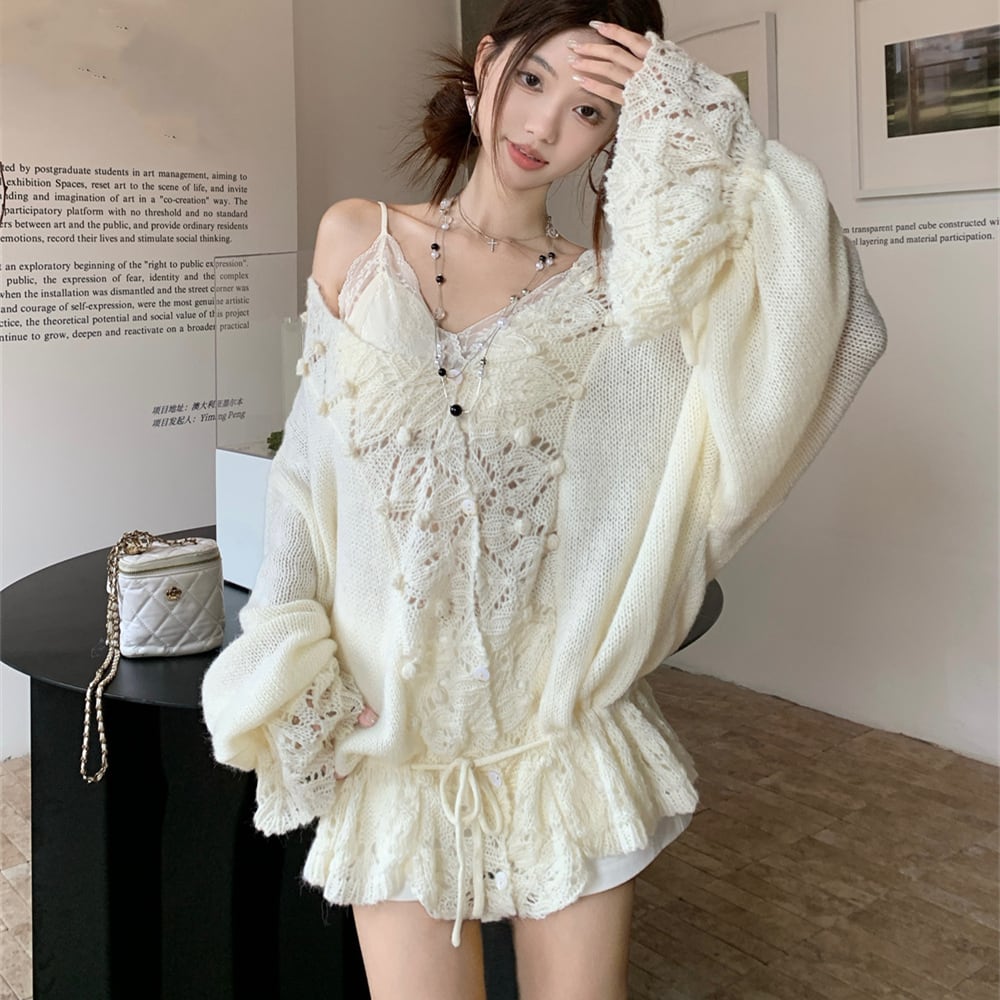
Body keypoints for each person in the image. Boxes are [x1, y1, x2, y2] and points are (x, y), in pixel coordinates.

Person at [201, 1, 887, 997]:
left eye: (591, 110)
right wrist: (296, 656)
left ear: (618, 135)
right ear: (486, 64)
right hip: (395, 745)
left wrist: (689, 107)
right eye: (532, 80)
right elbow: (308, 478)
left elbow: (823, 318)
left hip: (557, 737)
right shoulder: (357, 240)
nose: (544, 126)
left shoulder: (622, 304)